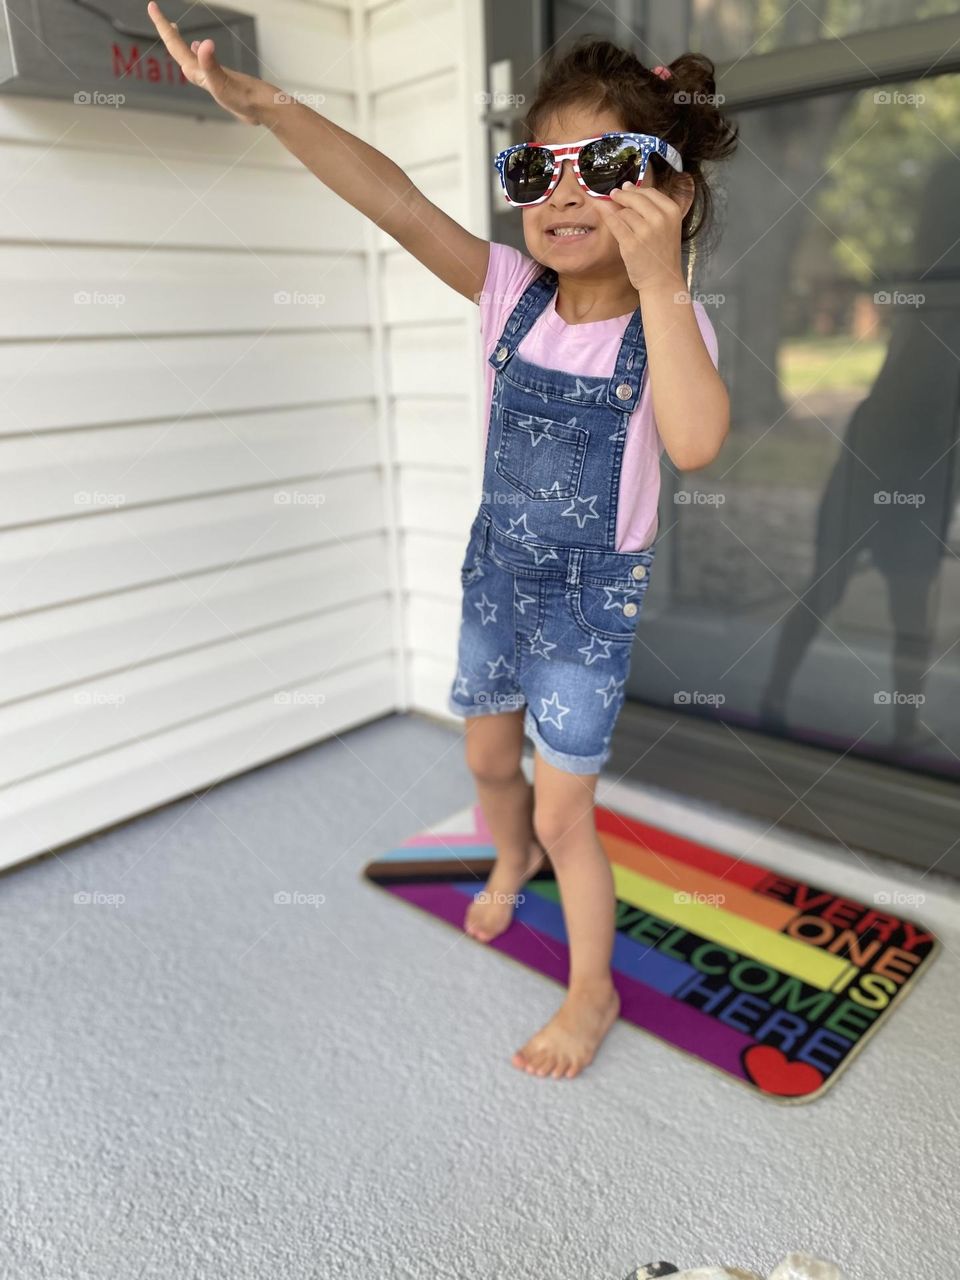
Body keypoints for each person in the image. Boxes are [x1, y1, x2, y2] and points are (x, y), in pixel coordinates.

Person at [145, 6, 737, 1079]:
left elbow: (694, 442)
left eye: (600, 168)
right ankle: (503, 852)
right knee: (483, 757)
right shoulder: (509, 294)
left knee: (569, 818)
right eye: (537, 169)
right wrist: (273, 107)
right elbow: (397, 201)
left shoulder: (669, 323)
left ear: (670, 194)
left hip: (582, 612)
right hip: (496, 578)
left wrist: (661, 283)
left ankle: (591, 986)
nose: (562, 193)